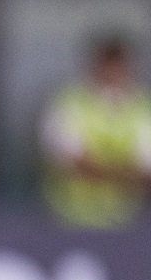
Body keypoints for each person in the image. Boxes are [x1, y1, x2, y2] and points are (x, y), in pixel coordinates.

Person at [41, 33, 151, 229]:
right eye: (108, 66)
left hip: (125, 221)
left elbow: (145, 169)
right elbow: (73, 162)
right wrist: (124, 173)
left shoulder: (142, 108)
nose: (113, 73)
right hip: (70, 218)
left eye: (118, 67)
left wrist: (101, 169)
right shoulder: (70, 102)